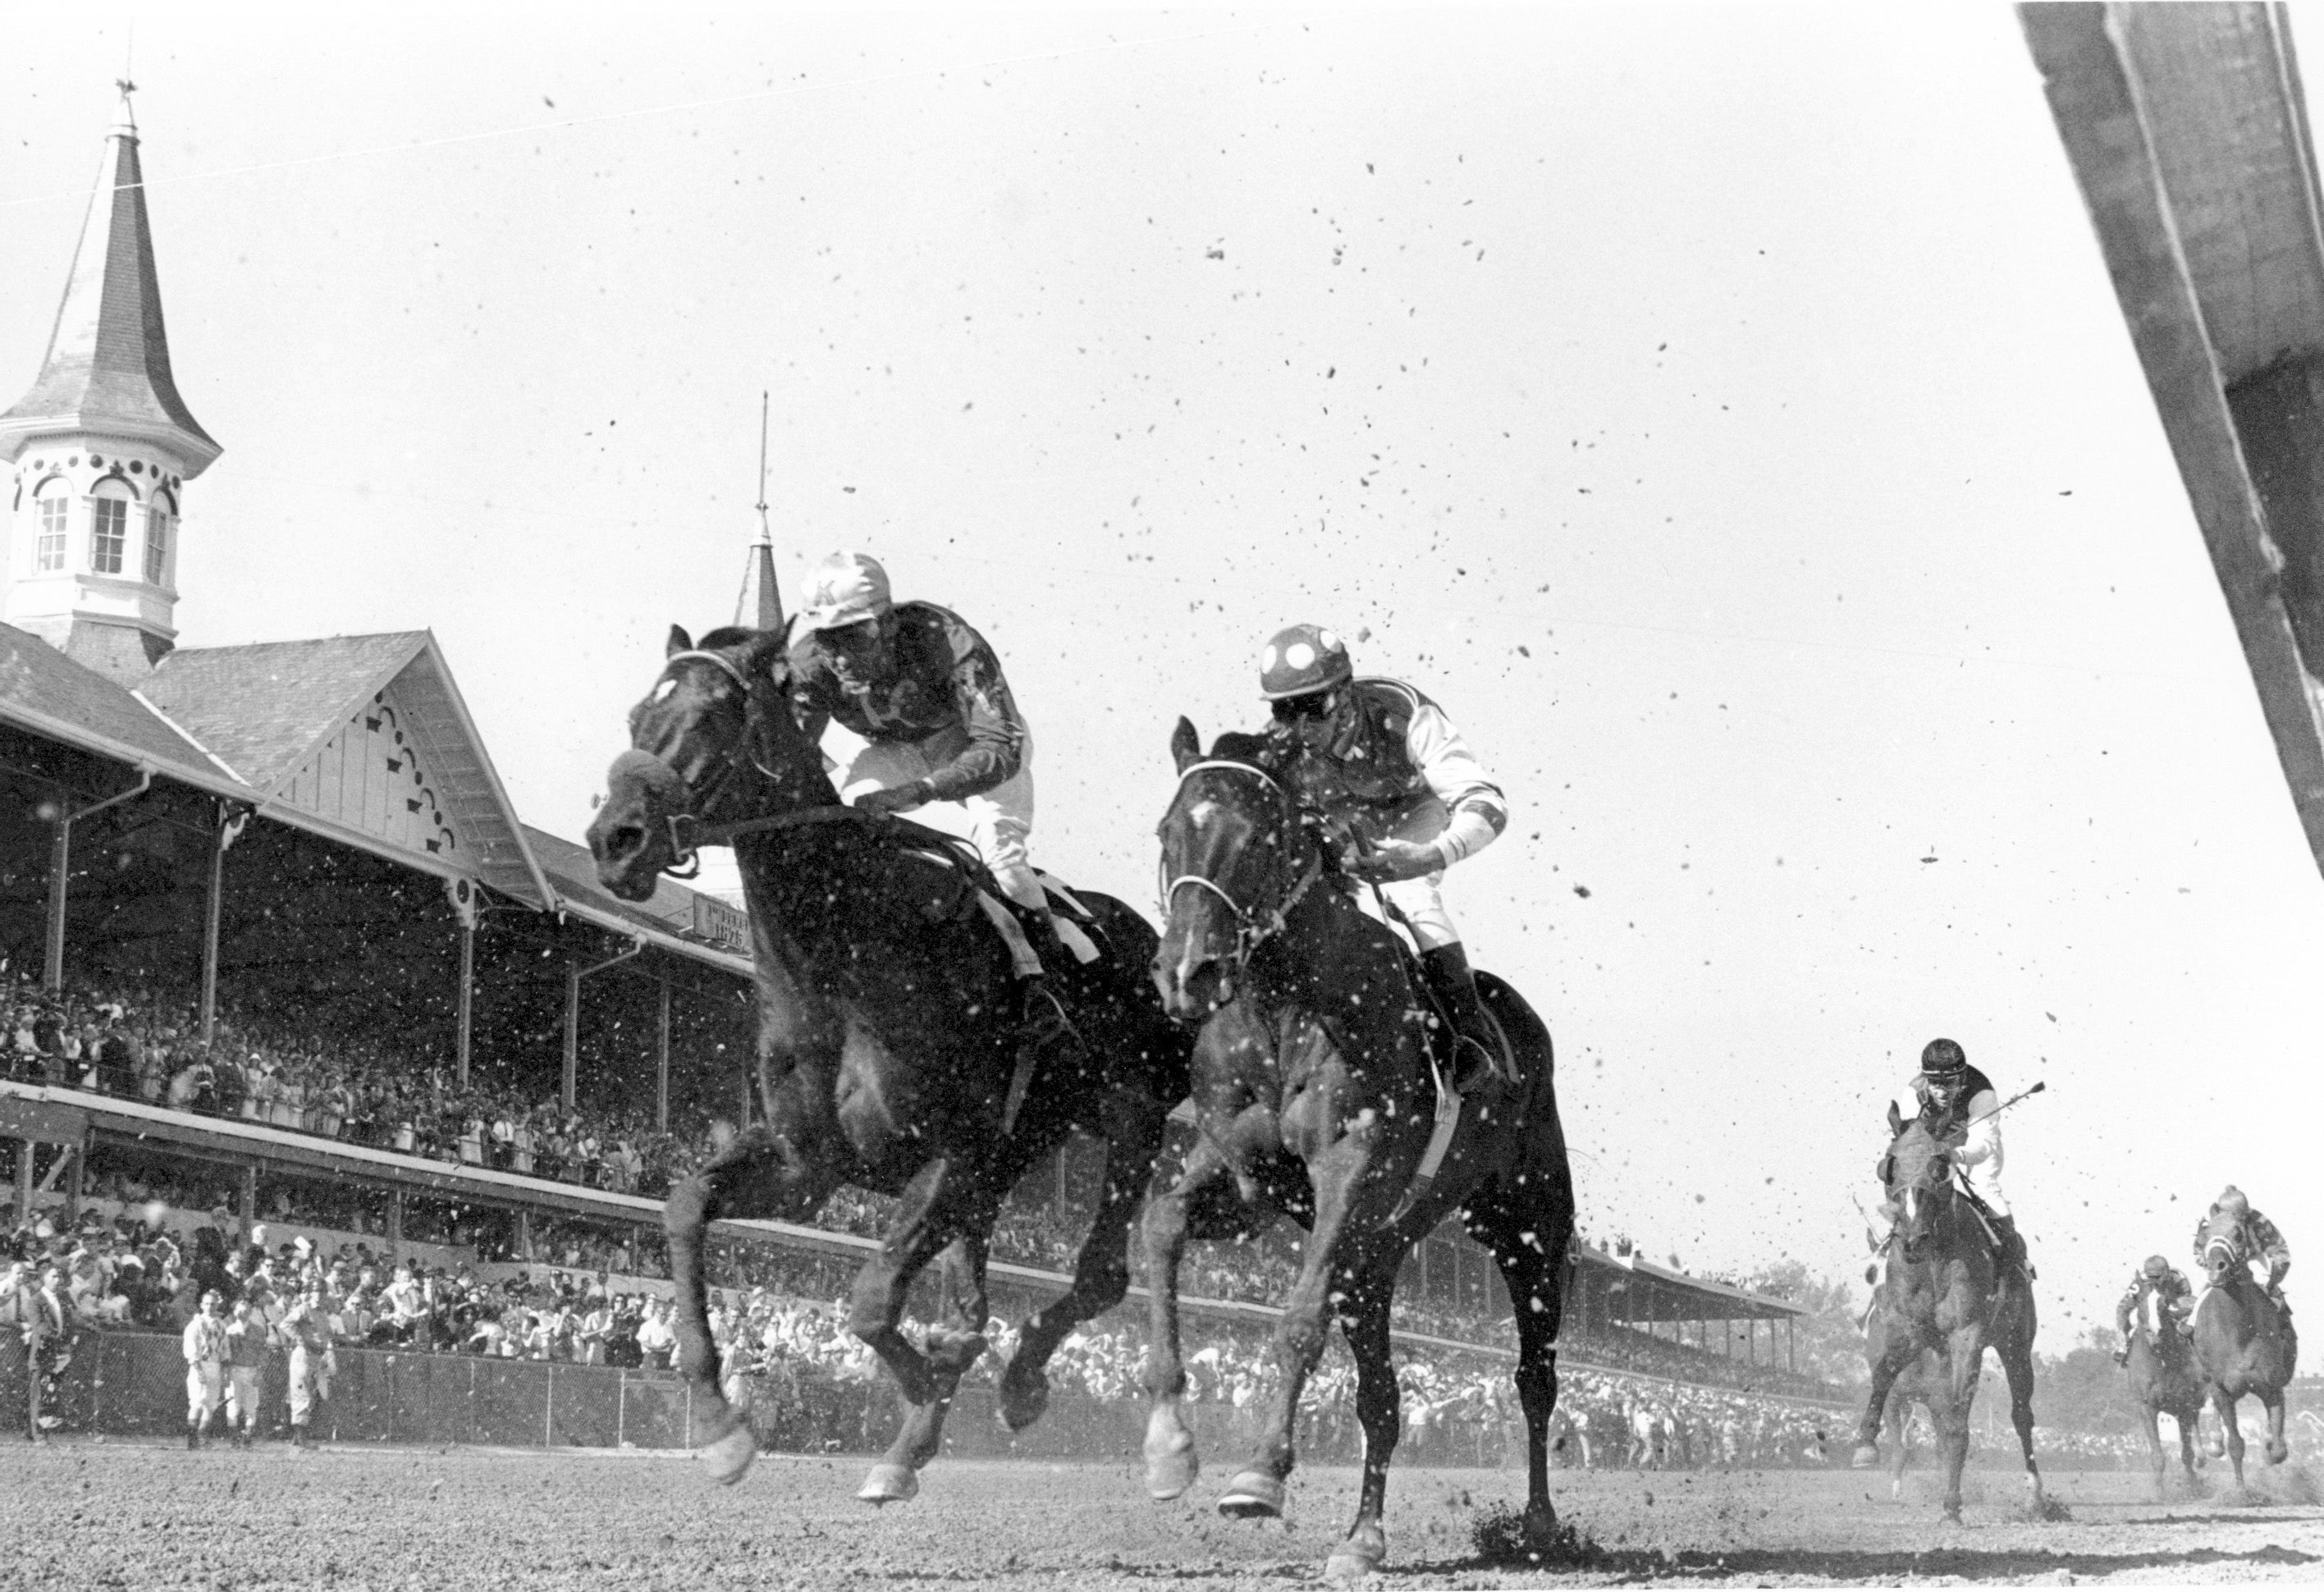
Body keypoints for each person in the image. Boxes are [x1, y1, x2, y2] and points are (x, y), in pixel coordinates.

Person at [784, 551, 1089, 1045]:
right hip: (892, 749)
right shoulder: (809, 664)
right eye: (827, 638)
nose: (838, 656)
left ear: (886, 622)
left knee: (1002, 857)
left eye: (854, 636)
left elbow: (1000, 747)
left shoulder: (945, 638)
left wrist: (923, 791)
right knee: (839, 833)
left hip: (971, 741)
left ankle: (1046, 981)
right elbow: (788, 753)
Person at [1255, 622, 1512, 1091]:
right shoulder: (1275, 748)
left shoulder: (1405, 713)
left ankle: (1470, 1038)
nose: (1303, 728)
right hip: (1335, 831)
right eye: (1286, 712)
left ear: (1346, 693)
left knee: (1409, 893)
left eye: (1315, 708)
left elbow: (1488, 803)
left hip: (1412, 817)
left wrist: (1431, 855)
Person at [1904, 1038, 2028, 1279]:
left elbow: (1982, 1147)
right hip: (1932, 1147)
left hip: (1974, 1148)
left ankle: (2015, 1266)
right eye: (1935, 1084)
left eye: (1948, 1083)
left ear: (1961, 1077)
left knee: (1985, 1189)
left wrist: (1955, 1154)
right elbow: (1909, 1140)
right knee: (1910, 1194)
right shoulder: (1912, 1092)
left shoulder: (1982, 1093)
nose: (1941, 1091)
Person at [2194, 1187, 2291, 1311]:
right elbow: (2198, 1250)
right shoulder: (2208, 1222)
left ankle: (2279, 1320)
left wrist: (2274, 1281)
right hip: (2219, 1259)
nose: (2241, 1220)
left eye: (2243, 1217)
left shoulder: (2258, 1220)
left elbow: (2279, 1250)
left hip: (2251, 1258)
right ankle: (2190, 1322)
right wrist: (2209, 1263)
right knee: (2199, 1290)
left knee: (2264, 1281)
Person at [2114, 1254, 2194, 1365]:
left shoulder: (2179, 1279)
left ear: (2166, 1273)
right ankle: (2124, 1348)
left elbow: (2188, 1303)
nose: (2153, 1281)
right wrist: (2121, 1331)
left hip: (2172, 1309)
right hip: (2146, 1310)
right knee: (2137, 1316)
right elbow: (2123, 1308)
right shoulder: (2139, 1283)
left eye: (2156, 1277)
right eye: (2150, 1277)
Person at [181, 1289, 227, 1449]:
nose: (210, 1307)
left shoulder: (221, 1324)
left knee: (211, 1403)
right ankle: (192, 1439)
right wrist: (198, 1370)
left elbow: (225, 1349)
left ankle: (203, 1437)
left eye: (213, 1304)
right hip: (200, 1364)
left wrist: (224, 1371)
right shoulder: (195, 1324)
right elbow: (190, 1349)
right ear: (201, 1305)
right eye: (207, 1303)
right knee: (196, 1402)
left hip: (215, 1365)